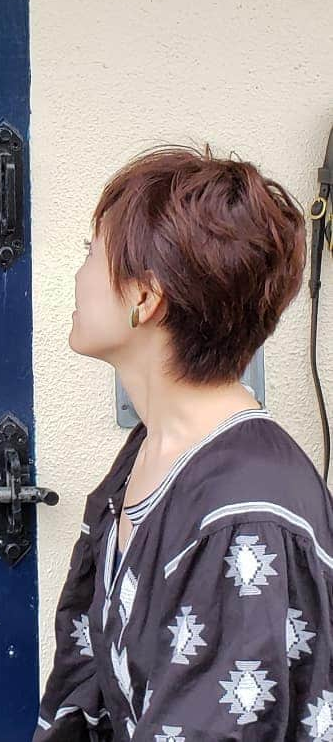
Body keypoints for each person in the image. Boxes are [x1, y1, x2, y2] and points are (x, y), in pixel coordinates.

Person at [33, 146, 333, 741]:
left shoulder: (243, 521)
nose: (77, 274)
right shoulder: (154, 450)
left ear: (145, 298)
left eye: (90, 253)